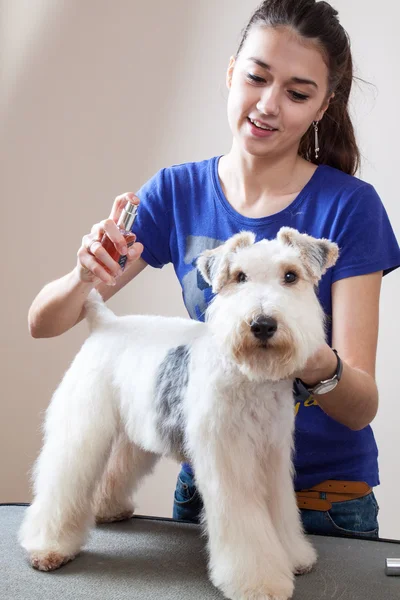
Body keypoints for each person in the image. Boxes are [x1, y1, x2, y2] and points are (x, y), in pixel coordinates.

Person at [28, 0, 400, 539]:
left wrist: (310, 357)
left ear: (324, 105)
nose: (269, 106)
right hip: (209, 486)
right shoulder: (175, 193)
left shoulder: (350, 208)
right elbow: (45, 323)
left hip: (324, 503)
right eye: (256, 78)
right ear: (231, 73)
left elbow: (360, 406)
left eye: (297, 93)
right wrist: (85, 273)